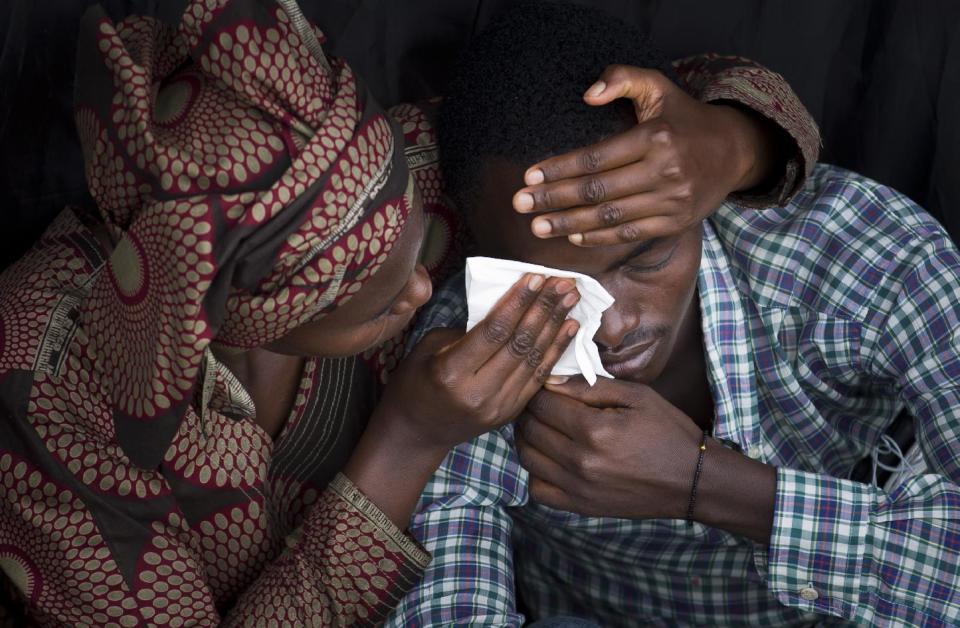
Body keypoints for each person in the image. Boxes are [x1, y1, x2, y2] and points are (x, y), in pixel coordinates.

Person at [0, 0, 821, 624]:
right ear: (234, 320)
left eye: (414, 245)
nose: (427, 289)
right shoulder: (49, 401)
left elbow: (657, 104)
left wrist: (730, 142)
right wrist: (407, 442)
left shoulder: (367, 178)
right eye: (384, 302)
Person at [390, 3, 960, 627]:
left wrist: (712, 486)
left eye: (647, 257)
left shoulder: (860, 257)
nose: (609, 325)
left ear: (697, 195)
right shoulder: (463, 364)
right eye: (554, 284)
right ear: (481, 251)